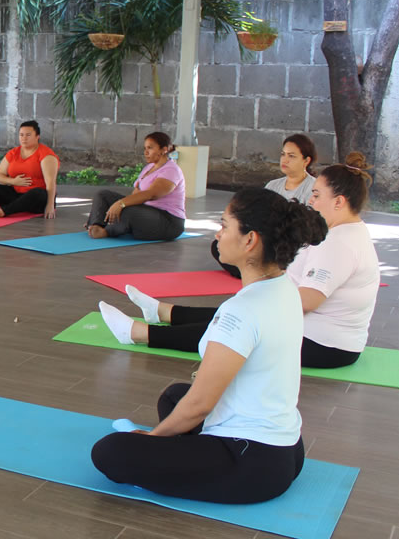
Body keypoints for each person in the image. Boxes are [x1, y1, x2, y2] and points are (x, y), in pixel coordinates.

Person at [91, 188, 328, 504]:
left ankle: (173, 455)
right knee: (176, 396)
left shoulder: (241, 310)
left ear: (250, 240)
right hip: (287, 450)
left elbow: (201, 403)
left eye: (225, 225)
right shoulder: (284, 287)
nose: (219, 233)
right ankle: (184, 453)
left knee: (110, 451)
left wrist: (151, 439)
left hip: (252, 464)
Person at [103, 152, 379, 369]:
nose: (312, 201)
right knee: (234, 311)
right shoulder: (345, 233)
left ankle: (140, 333)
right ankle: (163, 312)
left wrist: (259, 302)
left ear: (339, 202)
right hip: (319, 335)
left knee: (232, 324)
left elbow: (305, 302)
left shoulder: (339, 243)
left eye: (317, 195)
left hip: (323, 344)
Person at [213, 134, 318, 278]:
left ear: (306, 160)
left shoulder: (313, 187)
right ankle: (256, 271)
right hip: (269, 238)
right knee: (219, 245)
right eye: (283, 154)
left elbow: (309, 224)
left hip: (294, 242)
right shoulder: (273, 185)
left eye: (292, 156)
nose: (285, 160)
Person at [86, 132, 185, 240]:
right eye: (145, 148)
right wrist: (120, 204)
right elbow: (136, 194)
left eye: (150, 148)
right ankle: (96, 225)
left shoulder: (171, 170)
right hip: (147, 212)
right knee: (103, 195)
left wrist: (120, 204)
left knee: (128, 211)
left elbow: (151, 194)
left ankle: (106, 231)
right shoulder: (149, 167)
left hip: (168, 221)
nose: (146, 152)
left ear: (164, 149)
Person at [0, 120, 58, 219]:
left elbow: (50, 182)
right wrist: (13, 181)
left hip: (37, 201)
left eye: (28, 135)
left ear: (37, 137)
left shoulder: (46, 155)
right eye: (21, 135)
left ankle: (3, 212)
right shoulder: (13, 153)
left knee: (38, 193)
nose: (24, 138)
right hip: (16, 196)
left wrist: (50, 206)